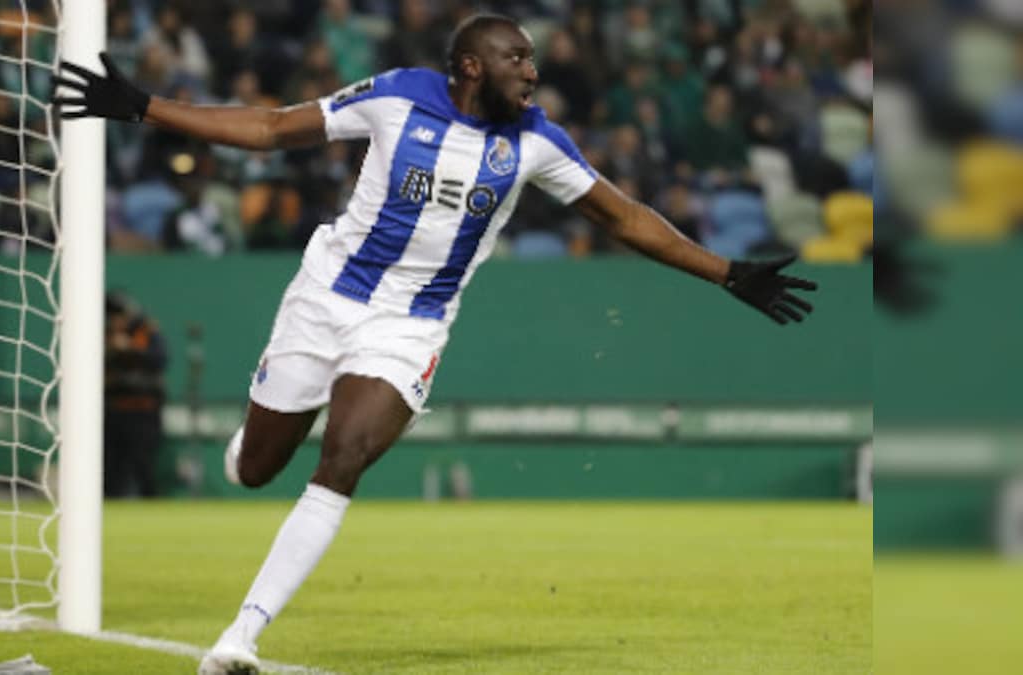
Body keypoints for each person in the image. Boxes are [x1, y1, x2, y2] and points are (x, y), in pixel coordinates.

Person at [55, 14, 817, 674]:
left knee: (345, 455)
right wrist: (144, 107)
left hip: (410, 323)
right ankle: (250, 443)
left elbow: (623, 217)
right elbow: (269, 129)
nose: (534, 70)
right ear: (470, 67)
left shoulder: (536, 143)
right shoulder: (397, 96)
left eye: (533, 58)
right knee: (256, 469)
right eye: (516, 58)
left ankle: (240, 633)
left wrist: (726, 273)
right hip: (324, 298)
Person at [104, 291, 167, 498]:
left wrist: (129, 348)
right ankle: (109, 506)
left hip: (144, 409)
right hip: (114, 408)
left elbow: (159, 360)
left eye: (118, 314)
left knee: (144, 464)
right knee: (111, 466)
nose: (115, 320)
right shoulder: (104, 334)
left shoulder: (146, 331)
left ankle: (151, 508)